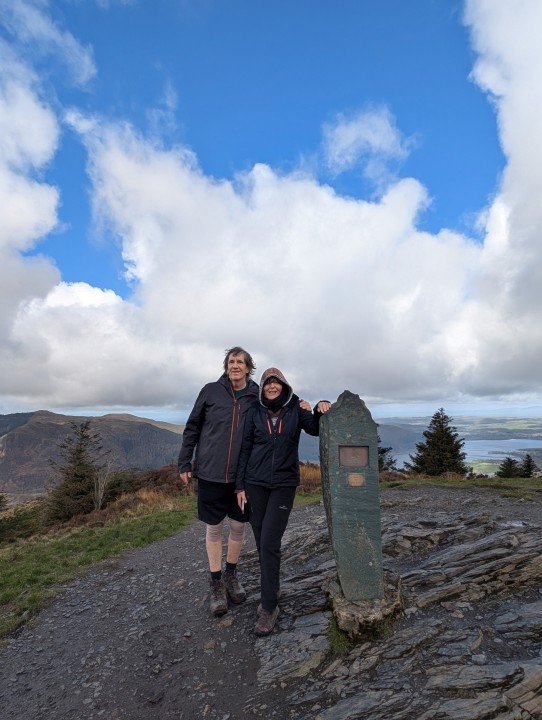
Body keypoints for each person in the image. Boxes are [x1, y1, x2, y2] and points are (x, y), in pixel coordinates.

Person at [235, 367, 331, 636]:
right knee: (263, 543)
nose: (271, 387)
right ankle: (272, 589)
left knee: (269, 542)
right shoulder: (254, 411)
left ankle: (269, 607)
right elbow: (245, 449)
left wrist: (320, 408)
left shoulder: (296, 408)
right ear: (262, 387)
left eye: (276, 383)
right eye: (267, 383)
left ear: (284, 386)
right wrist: (239, 486)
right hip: (254, 484)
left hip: (283, 485)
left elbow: (314, 429)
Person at [178, 346, 259, 617]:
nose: (235, 366)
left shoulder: (256, 395)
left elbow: (278, 409)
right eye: (231, 361)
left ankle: (231, 575)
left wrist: (308, 405)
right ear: (226, 366)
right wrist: (184, 461)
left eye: (240, 362)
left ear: (248, 368)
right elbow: (192, 426)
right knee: (214, 528)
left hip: (242, 477)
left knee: (238, 525)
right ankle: (216, 582)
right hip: (210, 473)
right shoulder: (211, 391)